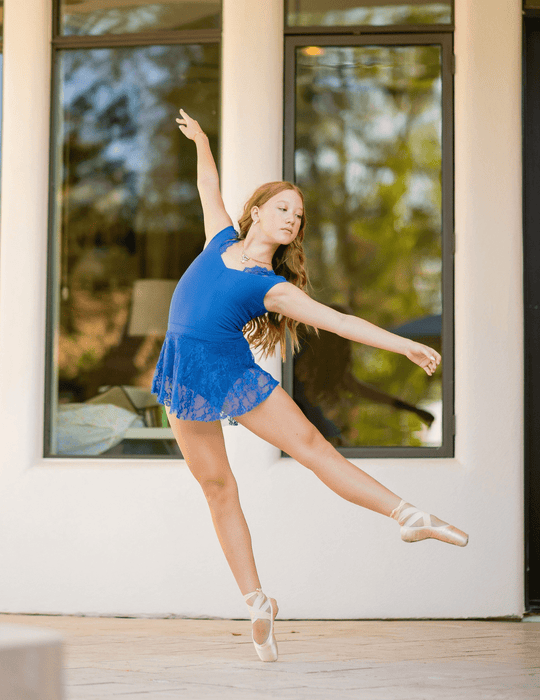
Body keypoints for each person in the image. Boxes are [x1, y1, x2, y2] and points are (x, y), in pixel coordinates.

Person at [151, 108, 469, 664]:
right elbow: (208, 185)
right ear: (256, 212)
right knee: (217, 488)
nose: (294, 219)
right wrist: (202, 141)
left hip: (231, 375)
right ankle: (257, 603)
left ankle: (408, 516)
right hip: (183, 374)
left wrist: (404, 344)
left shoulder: (269, 286)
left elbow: (341, 322)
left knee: (312, 448)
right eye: (284, 208)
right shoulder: (218, 238)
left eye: (299, 216)